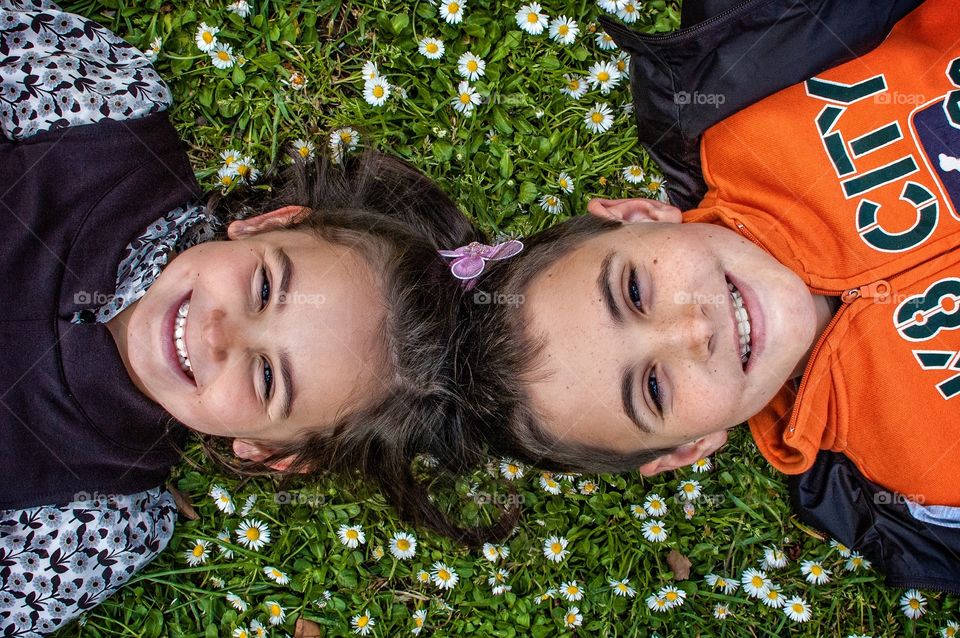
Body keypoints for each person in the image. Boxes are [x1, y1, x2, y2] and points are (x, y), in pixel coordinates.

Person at [0, 0, 490, 632]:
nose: (217, 333)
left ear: (267, 451)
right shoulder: (106, 113)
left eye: (267, 379)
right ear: (269, 223)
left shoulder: (92, 524)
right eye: (264, 288)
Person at [455, 0, 960, 591]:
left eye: (635, 291)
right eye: (653, 386)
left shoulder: (758, 85)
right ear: (690, 448)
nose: (693, 330)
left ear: (641, 216)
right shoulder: (923, 495)